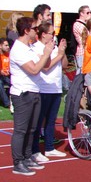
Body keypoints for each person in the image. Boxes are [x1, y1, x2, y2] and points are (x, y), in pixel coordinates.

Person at [9, 16, 56, 175]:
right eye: (35, 29)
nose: (37, 31)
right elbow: (34, 69)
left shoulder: (29, 47)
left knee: (32, 128)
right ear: (26, 30)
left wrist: (48, 52)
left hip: (34, 90)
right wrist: (46, 53)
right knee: (21, 129)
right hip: (23, 93)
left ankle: (27, 157)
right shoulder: (18, 49)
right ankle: (18, 162)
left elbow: (45, 65)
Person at [31, 20, 68, 162]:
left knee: (51, 120)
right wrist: (58, 55)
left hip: (56, 87)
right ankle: (35, 150)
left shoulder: (54, 47)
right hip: (43, 88)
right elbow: (45, 68)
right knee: (39, 120)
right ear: (43, 34)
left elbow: (64, 65)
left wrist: (62, 52)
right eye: (51, 33)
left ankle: (49, 147)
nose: (53, 36)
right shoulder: (37, 48)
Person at [71, 5, 91, 71]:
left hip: (88, 52)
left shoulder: (86, 25)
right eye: (87, 13)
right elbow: (88, 37)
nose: (89, 14)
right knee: (82, 72)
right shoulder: (78, 24)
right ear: (81, 13)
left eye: (90, 12)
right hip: (82, 53)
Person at [0, 38, 12, 110]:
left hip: (8, 76)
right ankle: (7, 103)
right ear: (0, 46)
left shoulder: (9, 55)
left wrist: (9, 71)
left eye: (8, 45)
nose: (8, 47)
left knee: (13, 83)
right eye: (6, 45)